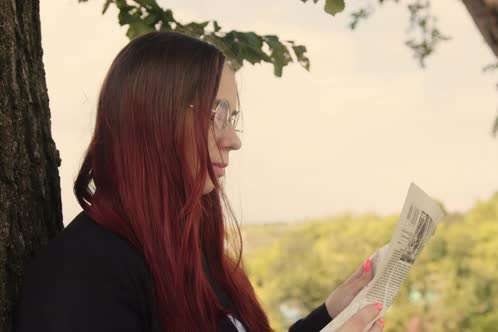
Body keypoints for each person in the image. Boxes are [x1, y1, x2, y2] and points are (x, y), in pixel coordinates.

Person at [14, 31, 385, 332]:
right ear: (153, 121)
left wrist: (330, 316)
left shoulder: (191, 253)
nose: (233, 139)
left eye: (232, 117)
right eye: (215, 115)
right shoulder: (85, 275)